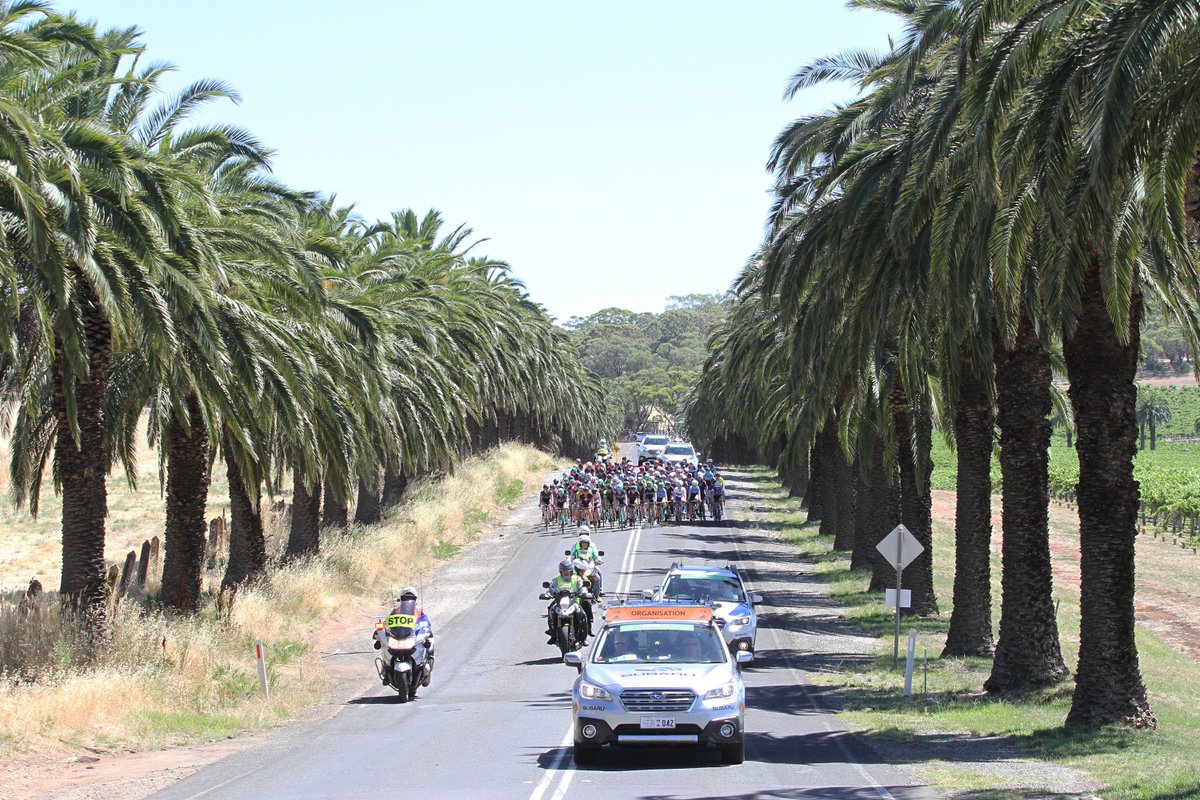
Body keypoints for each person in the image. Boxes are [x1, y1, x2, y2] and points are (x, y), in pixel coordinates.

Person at [545, 559, 589, 645]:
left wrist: (583, 593)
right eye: (564, 571)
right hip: (559, 602)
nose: (566, 573)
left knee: (582, 614)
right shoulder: (556, 580)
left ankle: (583, 638)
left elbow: (582, 588)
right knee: (551, 610)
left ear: (571, 571)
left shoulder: (577, 579)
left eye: (568, 572)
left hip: (574, 601)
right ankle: (553, 635)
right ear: (560, 572)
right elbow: (551, 589)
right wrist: (547, 594)